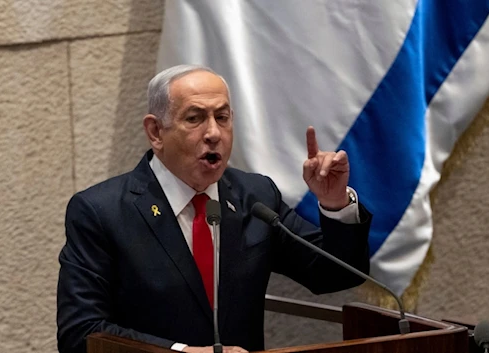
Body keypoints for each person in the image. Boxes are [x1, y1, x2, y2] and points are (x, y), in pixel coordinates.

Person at [57, 65, 372, 353]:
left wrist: (334, 203)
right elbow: (81, 334)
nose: (213, 133)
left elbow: (336, 275)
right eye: (194, 118)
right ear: (155, 132)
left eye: (222, 118)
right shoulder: (102, 212)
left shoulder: (256, 195)